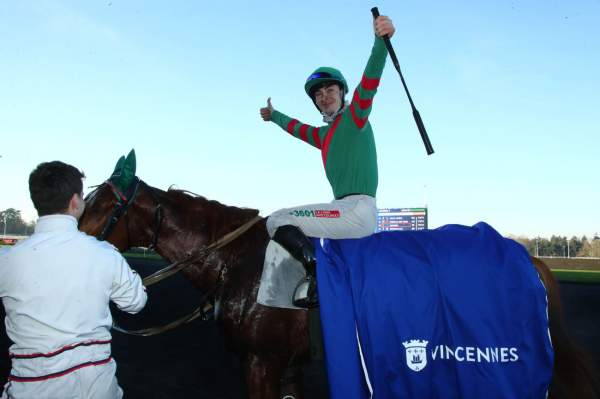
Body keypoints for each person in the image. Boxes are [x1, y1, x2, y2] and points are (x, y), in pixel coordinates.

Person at [260, 16, 395, 307]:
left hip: (357, 209)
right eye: (318, 95)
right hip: (341, 209)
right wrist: (274, 117)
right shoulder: (324, 135)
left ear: (342, 93)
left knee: (277, 220)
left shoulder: (355, 116)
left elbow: (370, 80)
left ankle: (317, 280)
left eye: (330, 91)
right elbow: (295, 128)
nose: (324, 97)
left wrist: (381, 41)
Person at [0, 161, 147, 399]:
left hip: (31, 389)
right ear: (75, 201)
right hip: (98, 390)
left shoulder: (6, 260)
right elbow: (136, 302)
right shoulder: (106, 254)